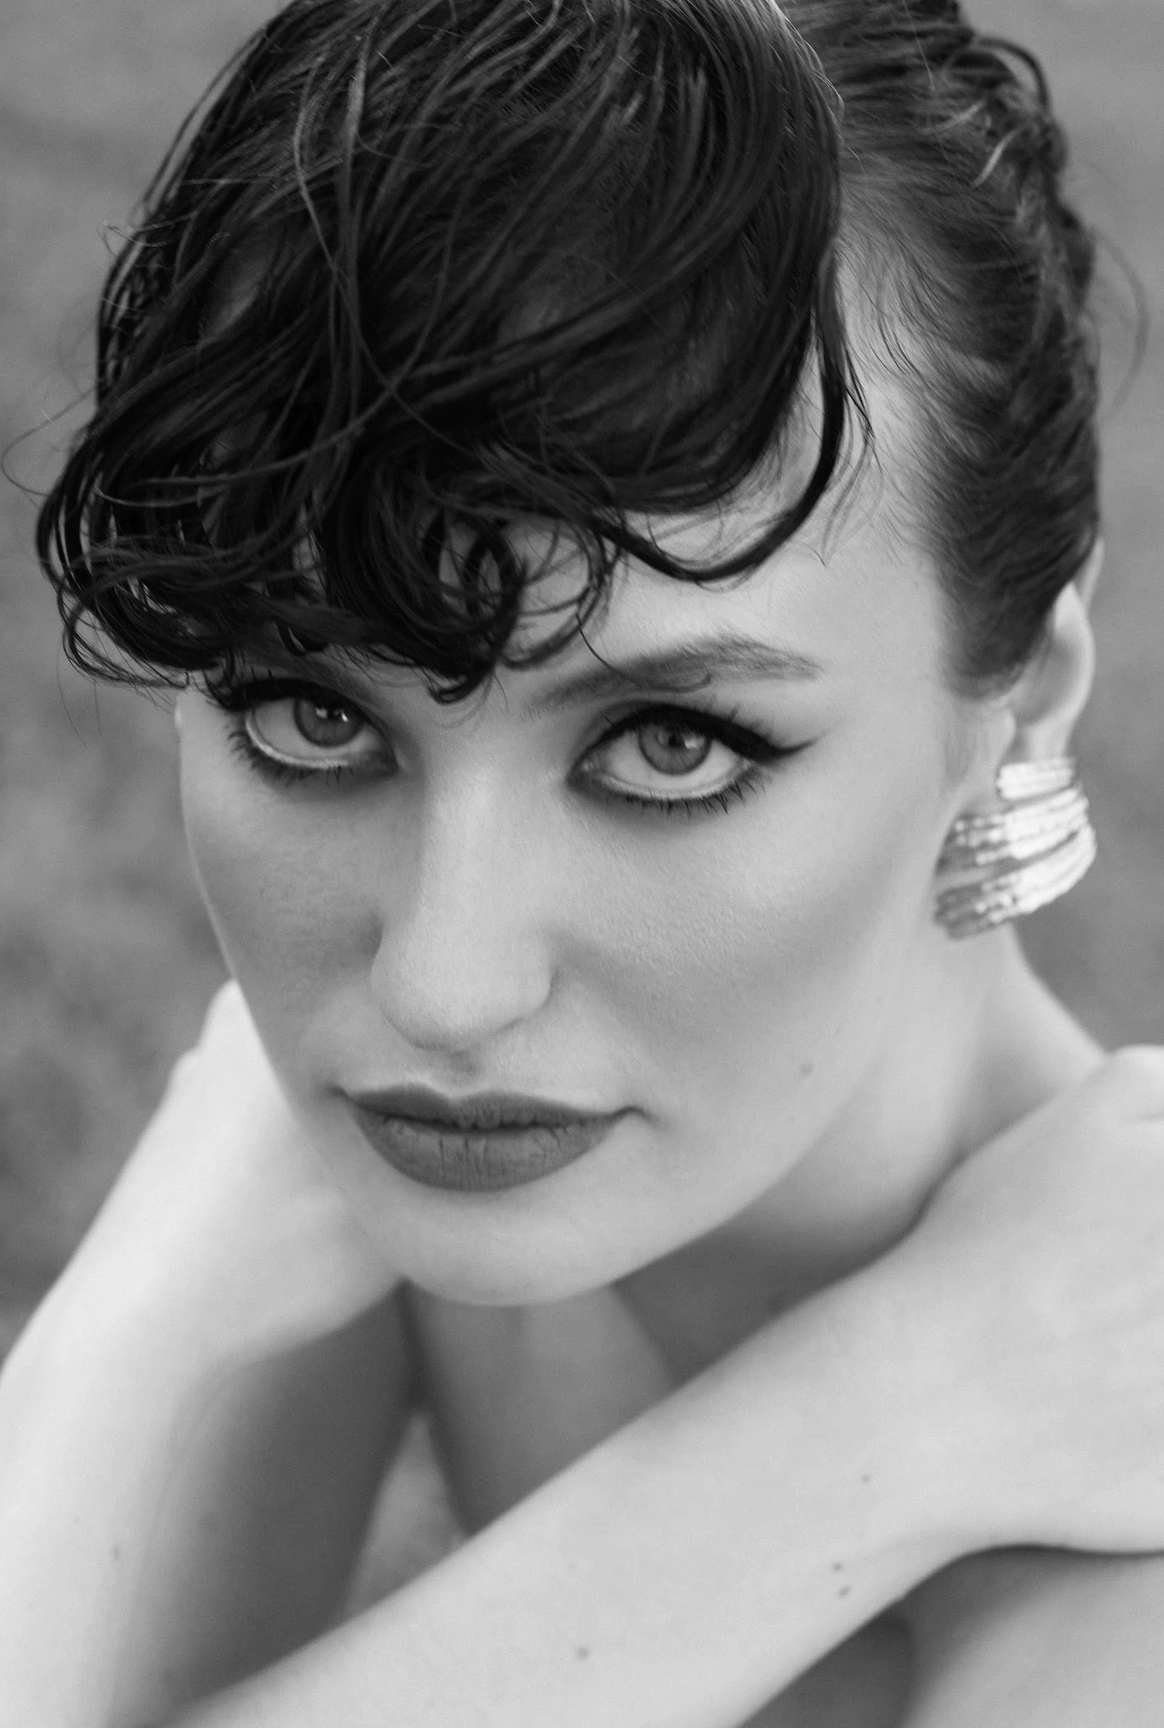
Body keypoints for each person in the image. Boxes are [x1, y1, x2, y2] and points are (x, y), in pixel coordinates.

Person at [6, 0, 1164, 1723]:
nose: (441, 987)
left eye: (672, 746)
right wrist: (872, 1426)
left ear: (1021, 699)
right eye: (311, 715)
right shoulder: (466, 1180)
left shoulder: (1122, 1592)